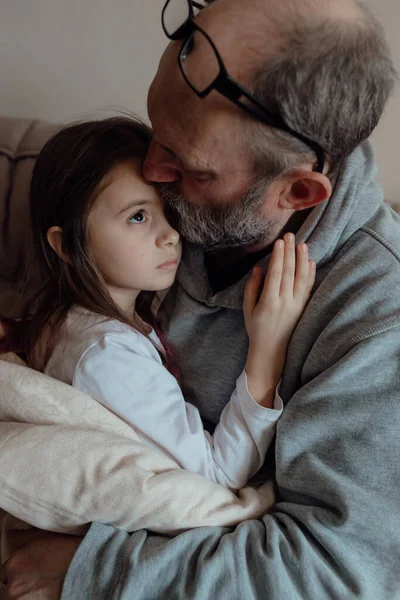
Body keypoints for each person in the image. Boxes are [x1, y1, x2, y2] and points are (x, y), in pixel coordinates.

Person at [2, 0, 400, 598]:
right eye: (157, 130)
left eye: (188, 166)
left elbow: (335, 572)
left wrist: (94, 568)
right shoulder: (140, 210)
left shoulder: (375, 322)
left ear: (297, 190)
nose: (152, 170)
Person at [0, 117, 314, 491]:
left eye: (169, 211)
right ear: (68, 246)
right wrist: (267, 350)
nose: (170, 235)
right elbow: (218, 474)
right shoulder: (107, 356)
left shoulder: (82, 319)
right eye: (137, 217)